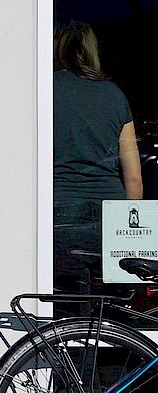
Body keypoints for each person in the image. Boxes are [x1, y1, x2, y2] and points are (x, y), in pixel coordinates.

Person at [53, 22, 142, 292]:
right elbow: (135, 178)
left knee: (66, 299)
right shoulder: (114, 97)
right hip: (110, 214)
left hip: (60, 210)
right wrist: (129, 226)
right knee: (112, 304)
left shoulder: (44, 91)